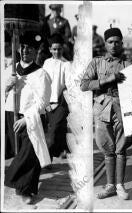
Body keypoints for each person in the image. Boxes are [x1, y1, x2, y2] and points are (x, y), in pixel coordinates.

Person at [80, 26, 132, 200]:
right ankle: (110, 185)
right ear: (105, 43)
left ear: (122, 43)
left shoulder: (129, 63)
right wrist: (107, 80)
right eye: (110, 42)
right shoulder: (96, 62)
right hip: (102, 108)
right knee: (107, 148)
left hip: (123, 108)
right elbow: (84, 85)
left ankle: (120, 186)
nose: (114, 45)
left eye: (117, 42)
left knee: (121, 147)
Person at [4, 31, 52, 204]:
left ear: (36, 52)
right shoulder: (9, 70)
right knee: (11, 150)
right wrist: (7, 86)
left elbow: (43, 101)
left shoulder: (41, 74)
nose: (25, 51)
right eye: (23, 47)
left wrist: (26, 119)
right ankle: (17, 179)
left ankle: (25, 189)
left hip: (30, 118)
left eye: (30, 48)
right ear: (19, 49)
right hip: (9, 114)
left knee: (30, 152)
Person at [43, 34, 70, 162]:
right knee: (53, 129)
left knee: (53, 131)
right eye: (54, 49)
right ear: (50, 49)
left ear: (62, 49)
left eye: (59, 49)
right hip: (47, 102)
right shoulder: (46, 63)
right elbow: (43, 81)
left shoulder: (66, 64)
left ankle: (48, 160)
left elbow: (69, 85)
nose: (57, 52)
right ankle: (62, 149)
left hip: (60, 102)